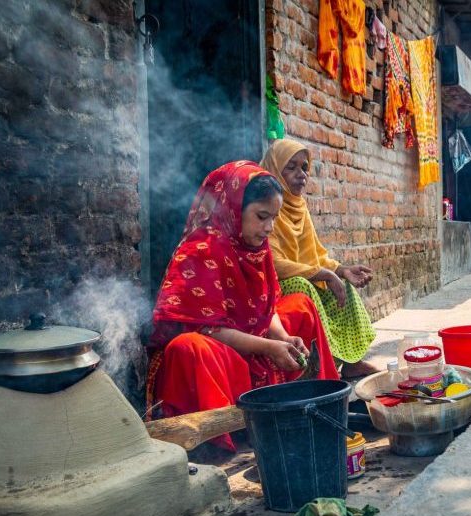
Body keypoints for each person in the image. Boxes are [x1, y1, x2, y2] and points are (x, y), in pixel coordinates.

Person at [147, 161, 340, 450]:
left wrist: (283, 339)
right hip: (222, 353)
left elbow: (268, 306)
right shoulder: (200, 250)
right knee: (189, 348)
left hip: (254, 340)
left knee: (300, 305)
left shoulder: (257, 248)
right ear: (234, 209)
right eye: (261, 216)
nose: (269, 228)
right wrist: (268, 347)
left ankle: (315, 401)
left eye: (273, 218)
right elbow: (208, 330)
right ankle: (222, 432)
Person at [260, 139, 378, 378]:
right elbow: (273, 262)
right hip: (275, 283)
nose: (301, 174)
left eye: (304, 167)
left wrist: (341, 269)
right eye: (291, 167)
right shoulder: (264, 206)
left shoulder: (299, 206)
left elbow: (315, 252)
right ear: (275, 168)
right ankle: (322, 365)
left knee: (341, 281)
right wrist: (321, 273)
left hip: (303, 272)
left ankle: (352, 361)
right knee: (303, 286)